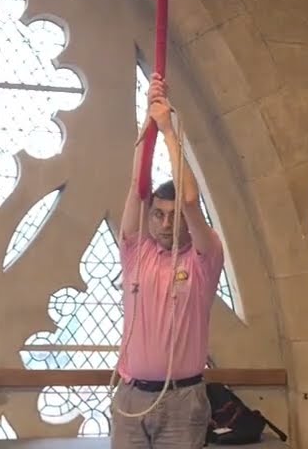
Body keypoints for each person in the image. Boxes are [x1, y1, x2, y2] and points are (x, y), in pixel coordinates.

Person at [113, 73, 224, 449]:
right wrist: (148, 124)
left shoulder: (202, 257)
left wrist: (169, 130)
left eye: (173, 216)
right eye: (158, 214)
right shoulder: (136, 252)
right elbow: (136, 186)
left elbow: (191, 201)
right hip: (130, 396)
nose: (164, 223)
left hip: (181, 402)